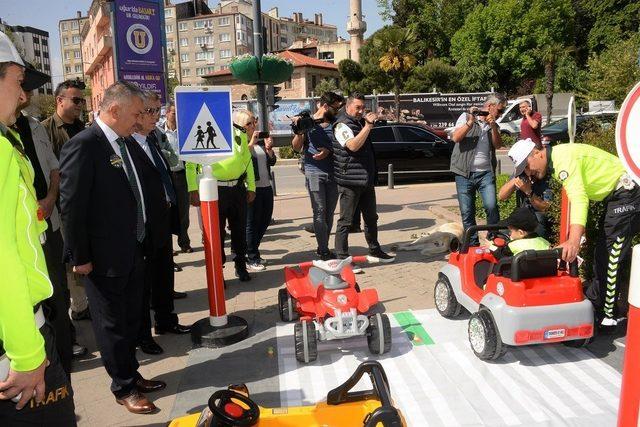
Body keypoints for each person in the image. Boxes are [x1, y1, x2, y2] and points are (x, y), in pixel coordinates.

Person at [60, 81, 165, 414]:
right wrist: (81, 257)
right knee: (111, 325)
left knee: (133, 317)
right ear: (115, 109)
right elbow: (72, 207)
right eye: (135, 113)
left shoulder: (126, 143)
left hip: (132, 247)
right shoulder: (84, 145)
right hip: (101, 256)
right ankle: (123, 388)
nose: (139, 119)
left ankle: (131, 374)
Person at [0, 31, 76, 425]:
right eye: (17, 82)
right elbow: (3, 261)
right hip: (17, 343)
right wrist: (29, 354)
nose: (24, 95)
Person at [510, 138, 640, 333]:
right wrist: (572, 238)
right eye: (524, 171)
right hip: (619, 195)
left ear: (537, 153)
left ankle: (608, 317)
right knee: (603, 254)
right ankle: (599, 304)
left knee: (611, 254)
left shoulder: (564, 161)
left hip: (628, 192)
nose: (529, 173)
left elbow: (579, 200)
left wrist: (573, 241)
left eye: (526, 166)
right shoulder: (558, 159)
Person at [13, 78, 80, 375]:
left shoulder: (33, 127)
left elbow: (54, 168)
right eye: (19, 84)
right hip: (18, 235)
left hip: (49, 222)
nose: (25, 93)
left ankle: (63, 357)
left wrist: (50, 198)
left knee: (57, 289)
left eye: (27, 87)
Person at [128, 91, 191, 356]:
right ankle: (143, 336)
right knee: (143, 285)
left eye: (158, 110)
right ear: (137, 113)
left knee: (164, 274)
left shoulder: (153, 138)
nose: (157, 116)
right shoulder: (127, 144)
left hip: (163, 218)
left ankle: (166, 322)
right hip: (143, 224)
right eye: (152, 111)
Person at [42, 79, 91, 329]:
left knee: (83, 257)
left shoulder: (84, 128)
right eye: (75, 100)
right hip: (61, 210)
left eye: (82, 100)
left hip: (87, 205)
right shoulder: (45, 130)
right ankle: (76, 309)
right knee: (67, 262)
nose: (80, 105)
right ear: (59, 101)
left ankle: (82, 305)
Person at [186, 110, 256, 282]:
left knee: (239, 231)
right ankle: (218, 271)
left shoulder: (239, 134)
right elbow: (190, 163)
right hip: (214, 191)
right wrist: (192, 189)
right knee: (215, 234)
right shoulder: (202, 131)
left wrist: (252, 187)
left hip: (237, 189)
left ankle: (241, 265)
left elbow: (248, 162)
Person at [332, 93, 395, 266]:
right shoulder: (341, 124)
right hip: (350, 181)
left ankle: (375, 250)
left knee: (371, 218)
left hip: (365, 180)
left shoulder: (358, 122)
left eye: (363, 108)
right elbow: (352, 145)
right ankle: (342, 257)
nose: (361, 111)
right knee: (346, 221)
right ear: (348, 105)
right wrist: (367, 126)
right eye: (357, 107)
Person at [292, 92, 344, 260]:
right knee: (319, 211)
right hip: (314, 173)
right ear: (325, 106)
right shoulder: (307, 121)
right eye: (335, 108)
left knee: (329, 214)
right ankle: (323, 250)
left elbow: (343, 147)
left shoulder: (336, 124)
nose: (337, 112)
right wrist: (299, 131)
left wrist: (328, 151)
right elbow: (295, 147)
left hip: (333, 174)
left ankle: (324, 247)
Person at [450, 93, 507, 245]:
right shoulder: (465, 117)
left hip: (486, 173)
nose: (501, 114)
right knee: (467, 211)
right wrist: (470, 122)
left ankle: (494, 239)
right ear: (490, 106)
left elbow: (497, 145)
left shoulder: (493, 125)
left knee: (491, 206)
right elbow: (456, 138)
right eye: (500, 110)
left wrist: (493, 126)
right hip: (464, 173)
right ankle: (472, 243)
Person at [498, 138, 552, 239]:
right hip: (523, 217)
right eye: (524, 168)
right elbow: (502, 196)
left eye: (527, 166)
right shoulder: (523, 174)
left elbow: (547, 208)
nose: (528, 171)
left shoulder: (549, 175)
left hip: (539, 221)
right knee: (499, 232)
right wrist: (516, 180)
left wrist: (528, 191)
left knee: (538, 220)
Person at [245, 111, 276, 270]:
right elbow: (243, 159)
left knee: (264, 220)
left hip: (266, 187)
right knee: (252, 223)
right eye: (249, 124)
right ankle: (251, 257)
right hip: (252, 188)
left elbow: (272, 161)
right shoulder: (243, 143)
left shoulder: (260, 143)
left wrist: (269, 148)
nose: (253, 126)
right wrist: (251, 142)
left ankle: (253, 251)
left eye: (253, 123)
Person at [163, 101, 192, 255]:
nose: (175, 116)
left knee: (183, 212)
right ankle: (169, 246)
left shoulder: (184, 131)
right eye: (173, 113)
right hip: (166, 176)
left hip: (182, 174)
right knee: (167, 212)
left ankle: (184, 242)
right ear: (167, 113)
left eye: (177, 113)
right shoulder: (159, 131)